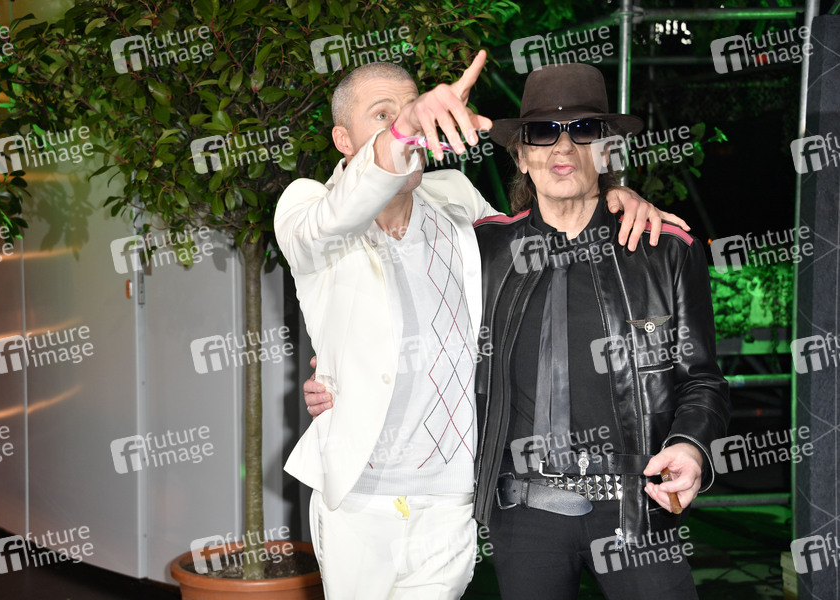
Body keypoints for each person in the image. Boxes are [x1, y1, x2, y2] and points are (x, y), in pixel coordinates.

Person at [279, 52, 687, 599]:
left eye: (412, 111)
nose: (409, 128)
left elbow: (547, 224)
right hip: (360, 501)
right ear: (343, 140)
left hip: (451, 502)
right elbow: (334, 219)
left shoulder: (455, 199)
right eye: (383, 115)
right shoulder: (308, 206)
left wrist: (615, 197)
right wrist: (403, 128)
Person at [468, 63, 730, 599]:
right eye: (543, 132)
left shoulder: (666, 251)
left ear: (608, 150)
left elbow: (703, 380)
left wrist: (690, 447)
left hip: (638, 507)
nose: (563, 146)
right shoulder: (481, 251)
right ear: (521, 154)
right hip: (523, 514)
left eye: (584, 130)